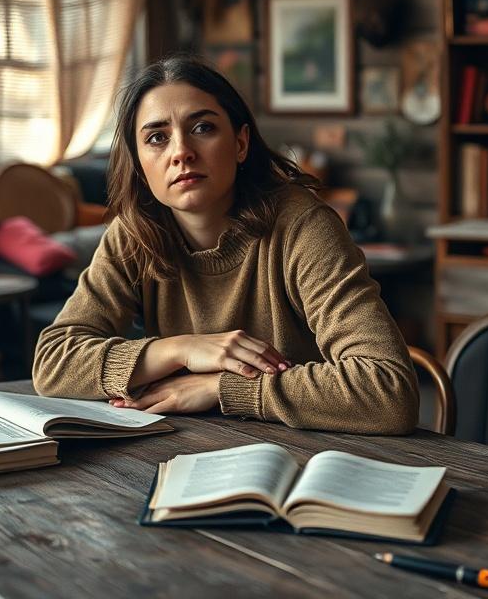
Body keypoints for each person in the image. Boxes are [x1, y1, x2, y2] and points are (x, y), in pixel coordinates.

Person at [33, 56, 418, 435]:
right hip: (186, 447)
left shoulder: (302, 225)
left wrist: (220, 387)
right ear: (138, 164)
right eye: (156, 138)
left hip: (310, 454)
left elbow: (387, 389)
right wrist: (182, 350)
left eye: (202, 127)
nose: (181, 152)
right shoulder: (133, 235)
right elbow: (52, 363)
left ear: (240, 142)